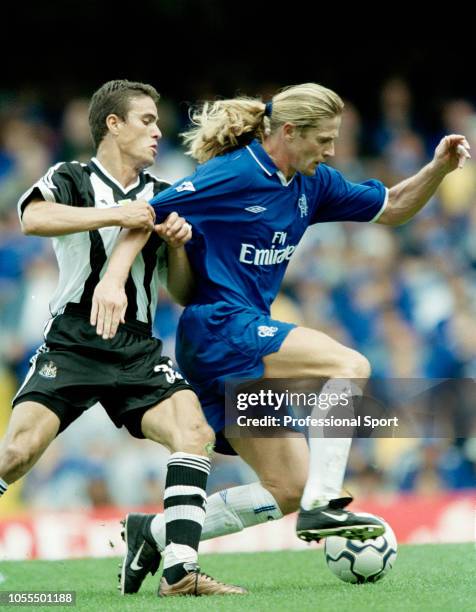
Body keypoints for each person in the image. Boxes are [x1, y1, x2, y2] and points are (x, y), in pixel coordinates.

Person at [90, 82, 471, 593]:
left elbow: (396, 205)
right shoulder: (234, 173)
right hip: (219, 327)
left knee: (286, 486)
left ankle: (154, 531)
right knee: (350, 365)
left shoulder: (313, 183)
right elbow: (145, 215)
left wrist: (439, 168)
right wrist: (114, 280)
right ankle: (324, 503)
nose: (331, 150)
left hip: (240, 339)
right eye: (324, 139)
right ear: (289, 132)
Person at [0, 79, 246, 597]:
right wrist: (118, 214)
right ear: (113, 124)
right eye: (146, 120)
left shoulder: (163, 195)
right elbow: (32, 217)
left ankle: (179, 570)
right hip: (73, 340)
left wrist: (178, 247)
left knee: (194, 432)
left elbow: (179, 292)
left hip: (136, 345)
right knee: (16, 453)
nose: (159, 131)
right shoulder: (71, 176)